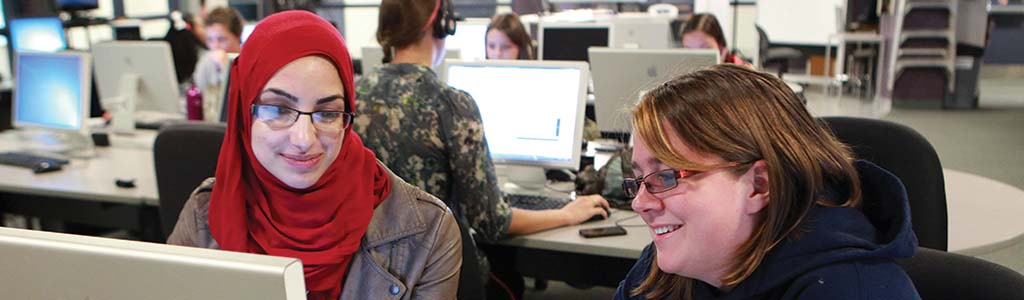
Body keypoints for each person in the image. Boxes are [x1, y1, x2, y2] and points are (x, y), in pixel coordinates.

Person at [167, 11, 461, 300]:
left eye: (328, 113)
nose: (304, 139)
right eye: (279, 109)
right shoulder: (203, 216)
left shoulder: (427, 232)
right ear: (244, 112)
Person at [353, 0, 610, 298]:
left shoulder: (353, 96)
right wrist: (567, 214)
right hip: (437, 274)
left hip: (367, 273)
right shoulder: (450, 102)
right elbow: (490, 221)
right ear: (442, 24)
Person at [615, 64, 919, 300]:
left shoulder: (856, 290)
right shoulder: (668, 272)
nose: (640, 203)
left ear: (760, 184)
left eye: (666, 176)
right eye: (640, 180)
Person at [680, 13, 746, 65]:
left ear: (720, 46)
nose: (696, 59)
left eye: (705, 49)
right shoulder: (679, 70)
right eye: (689, 51)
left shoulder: (740, 70)